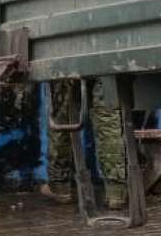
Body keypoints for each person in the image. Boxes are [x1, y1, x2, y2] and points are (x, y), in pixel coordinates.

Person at [43, 79, 128, 209]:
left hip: (65, 63)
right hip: (102, 63)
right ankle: (115, 192)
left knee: (61, 119)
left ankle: (60, 187)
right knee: (108, 122)